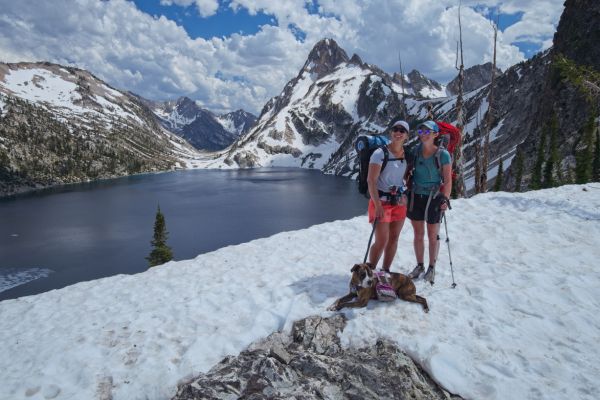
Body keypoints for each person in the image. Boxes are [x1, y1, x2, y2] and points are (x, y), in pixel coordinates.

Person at [406, 120, 452, 284]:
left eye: (427, 132)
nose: (423, 135)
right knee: (418, 234)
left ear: (435, 134)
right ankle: (420, 265)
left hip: (434, 198)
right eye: (421, 132)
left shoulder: (443, 155)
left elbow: (447, 180)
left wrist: (445, 198)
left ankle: (432, 267)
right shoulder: (416, 151)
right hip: (416, 195)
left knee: (432, 234)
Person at [366, 120, 410, 272]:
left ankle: (385, 271)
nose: (398, 132)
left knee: (394, 238)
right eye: (395, 129)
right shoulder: (380, 153)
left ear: (407, 136)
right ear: (391, 132)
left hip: (398, 202)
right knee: (382, 240)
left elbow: (406, 178)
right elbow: (371, 181)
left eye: (402, 130)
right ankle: (370, 271)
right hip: (381, 202)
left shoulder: (407, 154)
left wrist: (405, 194)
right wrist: (377, 204)